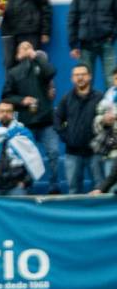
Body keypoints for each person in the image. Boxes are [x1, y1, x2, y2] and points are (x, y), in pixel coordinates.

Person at [2, 40, 59, 191]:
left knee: (53, 152)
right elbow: (6, 96)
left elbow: (51, 72)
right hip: (26, 122)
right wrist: (22, 100)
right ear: (17, 55)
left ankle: (54, 186)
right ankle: (27, 187)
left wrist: (36, 56)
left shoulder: (41, 66)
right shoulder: (13, 72)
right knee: (26, 156)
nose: (26, 49)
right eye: (22, 47)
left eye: (29, 47)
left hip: (46, 120)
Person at [0, 100, 44, 196]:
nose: (5, 114)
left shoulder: (23, 133)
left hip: (17, 187)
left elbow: (33, 159)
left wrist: (25, 182)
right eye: (2, 111)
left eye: (8, 111)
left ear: (13, 114)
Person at [68, 0, 117, 90]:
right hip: (86, 45)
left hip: (106, 43)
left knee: (112, 81)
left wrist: (112, 35)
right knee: (84, 82)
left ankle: (113, 104)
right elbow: (73, 18)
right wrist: (73, 44)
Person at [56, 63, 104, 194]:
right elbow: (57, 119)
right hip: (73, 153)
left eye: (83, 74)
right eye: (77, 75)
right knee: (73, 190)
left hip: (95, 152)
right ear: (72, 78)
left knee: (100, 188)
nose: (80, 77)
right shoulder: (66, 99)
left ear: (90, 76)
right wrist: (67, 137)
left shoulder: (100, 97)